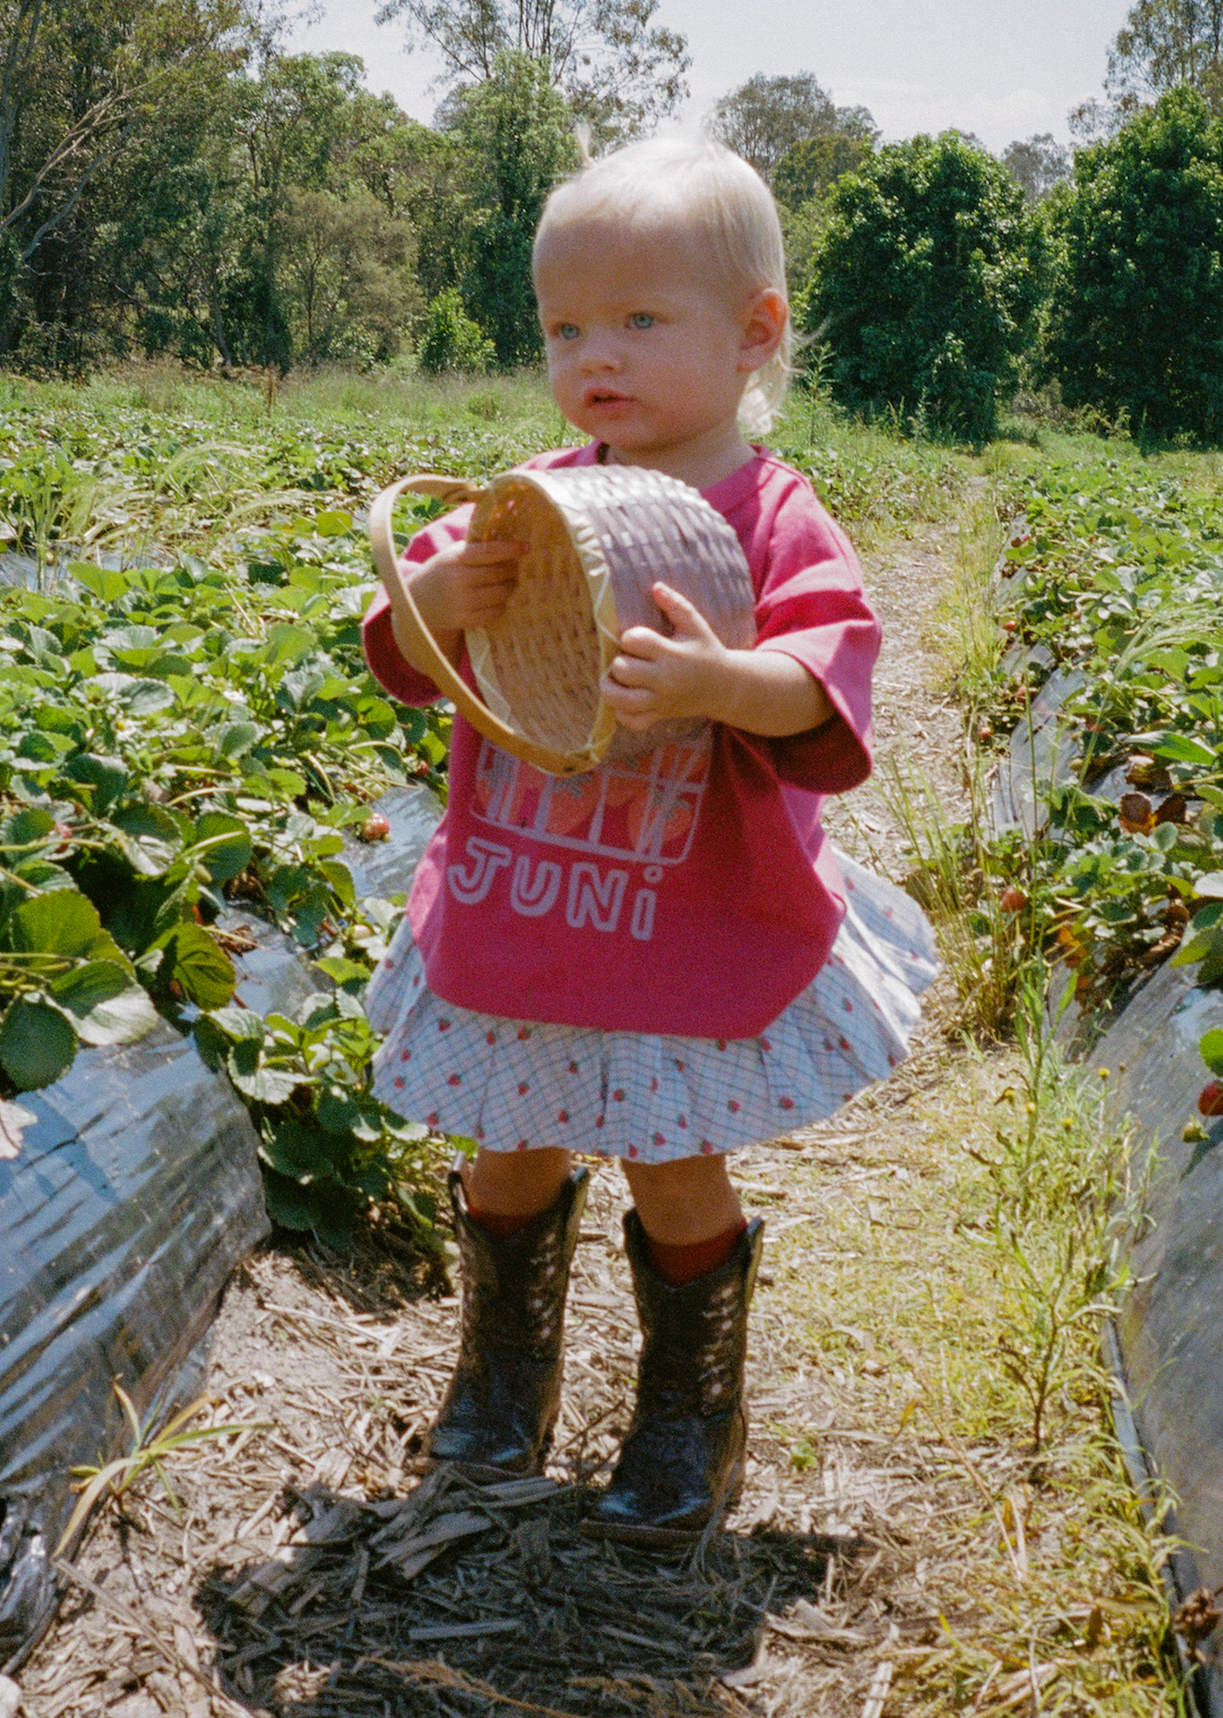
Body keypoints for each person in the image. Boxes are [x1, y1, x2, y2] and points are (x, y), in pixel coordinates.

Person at [360, 134, 936, 1546]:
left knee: (674, 1167)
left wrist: (713, 685)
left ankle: (691, 1411)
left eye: (637, 319)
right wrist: (444, 585)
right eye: (564, 327)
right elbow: (411, 647)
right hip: (533, 896)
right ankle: (504, 1374)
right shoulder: (534, 495)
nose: (592, 355)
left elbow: (825, 677)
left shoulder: (772, 513)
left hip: (676, 916)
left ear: (754, 334)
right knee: (512, 1145)